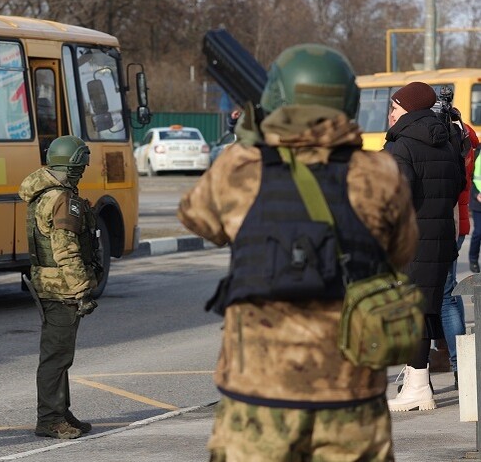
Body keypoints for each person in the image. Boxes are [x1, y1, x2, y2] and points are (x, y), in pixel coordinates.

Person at [179, 44, 419, 460]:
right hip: (352, 390)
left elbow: (198, 220)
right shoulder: (380, 174)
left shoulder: (239, 166)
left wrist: (249, 141)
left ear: (277, 97)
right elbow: (400, 254)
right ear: (349, 101)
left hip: (258, 392)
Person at [383, 81, 464, 412]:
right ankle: (419, 382)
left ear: (408, 111)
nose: (390, 115)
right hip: (441, 239)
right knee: (426, 308)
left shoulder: (402, 147)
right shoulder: (446, 143)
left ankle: (417, 387)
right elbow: (457, 184)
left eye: (394, 108)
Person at [18, 135, 99, 440]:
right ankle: (50, 419)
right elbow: (65, 247)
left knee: (60, 353)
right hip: (61, 288)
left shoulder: (45, 194)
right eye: (83, 164)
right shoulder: (61, 199)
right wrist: (81, 290)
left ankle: (60, 410)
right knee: (56, 355)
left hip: (49, 283)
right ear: (75, 165)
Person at [437, 112, 477, 383]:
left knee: (445, 298)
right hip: (458, 223)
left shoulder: (446, 141)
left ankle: (458, 364)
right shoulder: (465, 138)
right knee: (451, 295)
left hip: (446, 223)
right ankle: (460, 362)